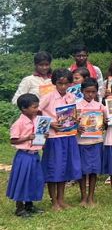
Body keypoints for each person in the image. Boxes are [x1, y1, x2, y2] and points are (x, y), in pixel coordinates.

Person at [39, 68, 82, 211]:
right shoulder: (48, 97)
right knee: (53, 168)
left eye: (66, 84)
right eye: (60, 83)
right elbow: (36, 113)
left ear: (70, 84)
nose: (63, 87)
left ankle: (61, 199)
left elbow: (73, 114)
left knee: (64, 168)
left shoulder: (71, 97)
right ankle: (54, 202)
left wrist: (76, 119)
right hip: (53, 137)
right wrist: (50, 123)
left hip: (68, 136)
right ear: (54, 83)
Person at [6, 93, 45, 218]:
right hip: (24, 156)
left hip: (35, 154)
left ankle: (30, 204)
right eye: (34, 107)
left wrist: (43, 137)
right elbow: (13, 140)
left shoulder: (36, 120)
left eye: (37, 106)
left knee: (34, 179)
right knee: (22, 180)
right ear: (24, 108)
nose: (36, 109)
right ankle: (19, 207)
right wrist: (27, 137)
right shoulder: (19, 123)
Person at [75, 77, 104, 207]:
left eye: (93, 92)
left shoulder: (100, 106)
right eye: (87, 92)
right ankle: (83, 196)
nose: (90, 95)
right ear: (82, 91)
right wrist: (76, 127)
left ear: (97, 92)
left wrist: (104, 125)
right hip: (81, 142)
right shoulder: (76, 106)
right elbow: (70, 123)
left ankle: (91, 196)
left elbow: (108, 120)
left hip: (96, 142)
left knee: (93, 170)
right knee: (82, 171)